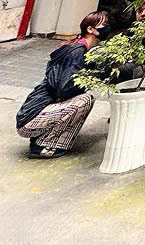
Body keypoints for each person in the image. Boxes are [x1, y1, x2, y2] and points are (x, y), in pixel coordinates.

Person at [15, 11, 109, 159]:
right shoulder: (77, 52)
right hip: (29, 120)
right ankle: (42, 145)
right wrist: (91, 77)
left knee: (83, 99)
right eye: (104, 24)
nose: (107, 27)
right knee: (85, 100)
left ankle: (48, 140)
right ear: (90, 29)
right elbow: (64, 90)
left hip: (34, 115)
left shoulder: (80, 50)